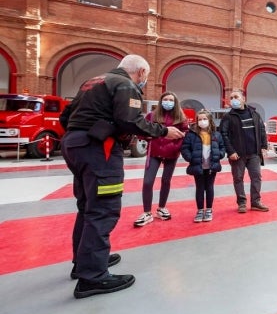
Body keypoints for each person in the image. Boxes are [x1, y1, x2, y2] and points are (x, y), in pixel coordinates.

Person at [60, 54, 185, 299]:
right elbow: (130, 121)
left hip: (74, 145)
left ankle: (84, 262)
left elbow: (66, 117)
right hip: (99, 149)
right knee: (103, 208)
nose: (144, 80)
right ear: (140, 71)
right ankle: (92, 277)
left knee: (87, 206)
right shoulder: (125, 85)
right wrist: (163, 131)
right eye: (145, 76)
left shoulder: (92, 82)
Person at [134, 91, 189, 227]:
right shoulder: (152, 115)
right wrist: (150, 137)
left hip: (172, 153)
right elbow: (141, 131)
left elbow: (186, 133)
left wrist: (177, 143)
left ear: (175, 103)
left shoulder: (181, 117)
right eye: (166, 99)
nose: (168, 102)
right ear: (161, 101)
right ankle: (147, 212)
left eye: (171, 100)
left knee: (166, 181)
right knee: (148, 182)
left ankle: (162, 208)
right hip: (154, 153)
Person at [219, 90, 269, 213]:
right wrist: (230, 152)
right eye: (231, 98)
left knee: (256, 177)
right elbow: (223, 135)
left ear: (243, 99)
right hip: (237, 155)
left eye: (236, 97)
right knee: (238, 178)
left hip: (254, 154)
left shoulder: (254, 114)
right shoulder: (228, 117)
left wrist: (264, 146)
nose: (233, 100)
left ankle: (255, 202)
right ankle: (241, 203)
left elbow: (262, 130)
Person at [180, 109, 225, 222]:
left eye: (205, 119)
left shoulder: (216, 134)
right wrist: (191, 158)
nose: (202, 121)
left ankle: (209, 209)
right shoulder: (191, 135)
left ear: (210, 120)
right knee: (199, 188)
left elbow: (222, 147)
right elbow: (185, 148)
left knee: (209, 187)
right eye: (200, 119)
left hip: (212, 166)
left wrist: (219, 155)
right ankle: (200, 210)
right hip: (197, 166)